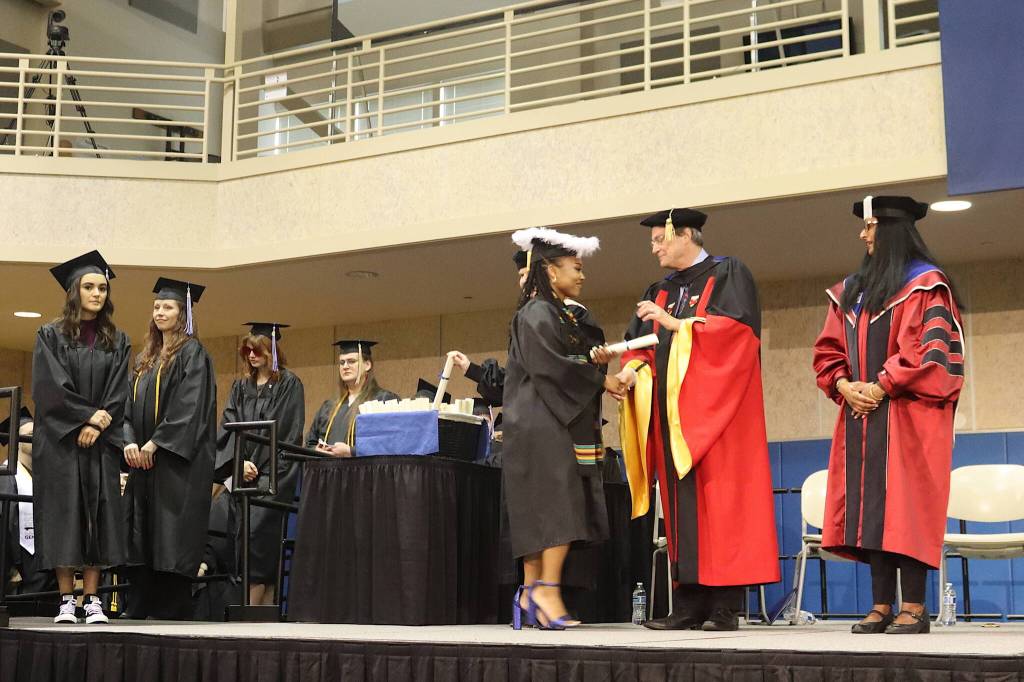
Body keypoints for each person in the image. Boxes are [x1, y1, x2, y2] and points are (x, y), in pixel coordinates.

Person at [616, 208, 779, 631]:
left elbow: (737, 335)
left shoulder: (729, 274)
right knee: (681, 515)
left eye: (659, 240)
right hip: (673, 421)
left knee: (723, 509)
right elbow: (641, 346)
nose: (653, 249)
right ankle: (687, 606)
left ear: (685, 234)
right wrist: (627, 373)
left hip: (721, 418)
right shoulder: (660, 289)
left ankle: (725, 609)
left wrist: (677, 325)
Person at [813, 195, 965, 635]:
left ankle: (914, 607)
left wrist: (881, 385)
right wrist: (844, 385)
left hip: (910, 416)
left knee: (907, 508)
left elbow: (931, 352)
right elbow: (827, 351)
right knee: (871, 511)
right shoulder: (850, 292)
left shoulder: (927, 285)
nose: (863, 234)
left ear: (894, 229)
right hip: (862, 414)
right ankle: (881, 604)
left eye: (871, 225)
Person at [503, 227, 622, 630]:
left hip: (545, 421)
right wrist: (599, 378)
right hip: (543, 423)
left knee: (544, 510)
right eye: (576, 266)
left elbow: (568, 361)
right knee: (557, 509)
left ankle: (534, 588)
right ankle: (546, 590)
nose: (582, 274)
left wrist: (595, 365)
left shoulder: (555, 312)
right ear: (551, 271)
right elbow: (552, 366)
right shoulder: (538, 312)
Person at [30, 251, 131, 625]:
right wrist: (86, 416)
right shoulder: (50, 335)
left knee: (98, 517)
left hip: (100, 443)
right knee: (64, 516)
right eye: (89, 287)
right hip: (60, 443)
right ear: (74, 291)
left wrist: (98, 423)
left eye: (102, 288)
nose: (97, 293)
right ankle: (65, 602)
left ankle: (92, 600)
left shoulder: (117, 340)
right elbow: (49, 388)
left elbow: (119, 391)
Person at [123, 277, 216, 620]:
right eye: (157, 306)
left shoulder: (193, 354)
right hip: (142, 463)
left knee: (171, 535)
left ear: (184, 313)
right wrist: (130, 441)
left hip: (176, 467)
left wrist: (156, 443)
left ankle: (170, 610)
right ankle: (139, 605)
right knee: (140, 535)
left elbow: (189, 408)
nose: (161, 311)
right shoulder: (144, 358)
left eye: (169, 307)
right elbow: (125, 408)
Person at [215, 323, 304, 606]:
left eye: (258, 350)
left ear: (272, 351)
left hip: (272, 480)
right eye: (247, 350)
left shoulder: (289, 384)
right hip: (242, 478)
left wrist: (263, 472)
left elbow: (287, 430)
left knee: (259, 544)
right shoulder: (240, 387)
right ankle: (259, 616)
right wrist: (239, 462)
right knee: (240, 542)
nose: (251, 356)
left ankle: (250, 614)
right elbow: (227, 427)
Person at [0, 408, 59, 610]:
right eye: (31, 436)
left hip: (47, 564)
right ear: (16, 441)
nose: (38, 439)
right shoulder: (6, 477)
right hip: (22, 569)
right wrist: (10, 567)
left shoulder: (44, 477)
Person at [305, 340, 398, 457]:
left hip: (364, 472)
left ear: (367, 365)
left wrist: (351, 451)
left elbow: (391, 443)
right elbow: (310, 443)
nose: (345, 366)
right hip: (329, 472)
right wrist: (318, 450)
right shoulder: (329, 406)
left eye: (351, 361)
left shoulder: (384, 400)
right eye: (341, 362)